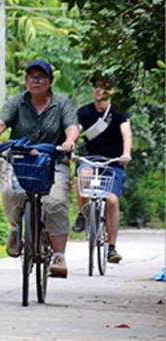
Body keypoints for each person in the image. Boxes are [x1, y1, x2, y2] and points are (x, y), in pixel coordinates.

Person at [0, 59, 79, 278]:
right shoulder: (17, 102)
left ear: (50, 81)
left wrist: (69, 141)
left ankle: (58, 256)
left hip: (53, 160)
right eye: (31, 76)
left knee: (54, 202)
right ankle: (15, 228)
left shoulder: (61, 103)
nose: (35, 81)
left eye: (41, 77)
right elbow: (0, 121)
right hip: (21, 160)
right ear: (26, 80)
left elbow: (72, 127)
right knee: (10, 192)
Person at [72, 73, 132, 263]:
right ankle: (82, 214)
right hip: (89, 158)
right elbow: (76, 130)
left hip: (113, 162)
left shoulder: (119, 112)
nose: (99, 90)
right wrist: (70, 144)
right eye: (96, 86)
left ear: (111, 91)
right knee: (84, 175)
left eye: (104, 87)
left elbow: (126, 133)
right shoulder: (84, 112)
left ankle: (112, 248)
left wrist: (126, 153)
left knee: (112, 201)